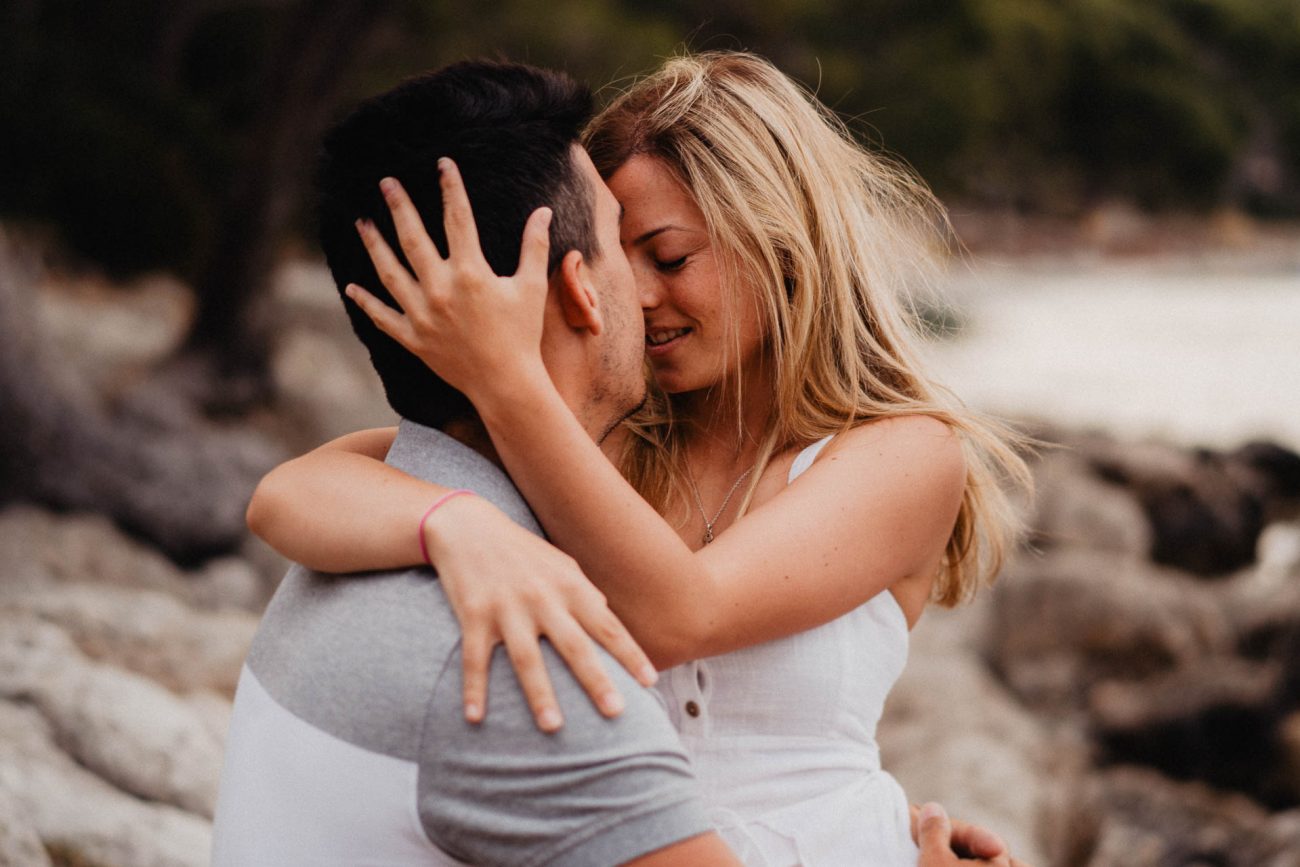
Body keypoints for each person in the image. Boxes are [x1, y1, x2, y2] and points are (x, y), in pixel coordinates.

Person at [248, 52, 1032, 865]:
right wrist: (454, 524)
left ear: (782, 241)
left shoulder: (902, 451)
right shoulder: (609, 437)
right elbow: (288, 493)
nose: (637, 292)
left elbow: (684, 616)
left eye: (670, 256)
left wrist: (506, 376)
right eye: (620, 258)